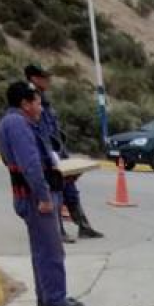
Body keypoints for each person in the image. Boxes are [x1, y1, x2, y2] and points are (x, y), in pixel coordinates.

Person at [0, 81, 85, 306]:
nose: (41, 108)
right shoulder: (17, 125)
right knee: (51, 251)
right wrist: (44, 196)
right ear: (25, 104)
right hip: (36, 198)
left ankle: (46, 298)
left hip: (33, 195)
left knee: (42, 250)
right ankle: (55, 300)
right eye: (37, 102)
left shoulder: (16, 123)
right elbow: (31, 165)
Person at [25, 64, 104, 241]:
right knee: (56, 190)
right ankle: (57, 230)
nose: (48, 80)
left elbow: (53, 129)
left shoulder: (43, 99)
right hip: (47, 154)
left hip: (57, 151)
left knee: (70, 189)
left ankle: (83, 226)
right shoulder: (29, 100)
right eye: (44, 77)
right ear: (34, 78)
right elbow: (38, 130)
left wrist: (63, 151)